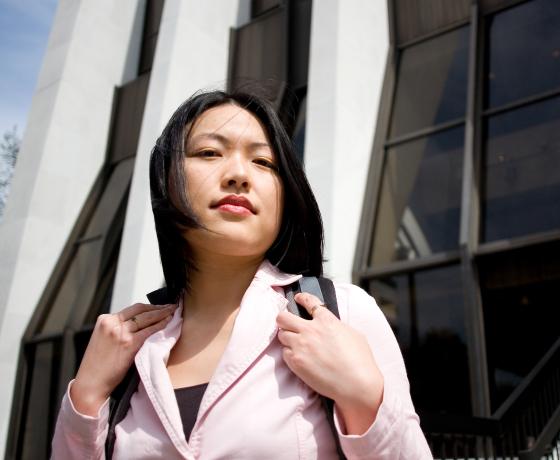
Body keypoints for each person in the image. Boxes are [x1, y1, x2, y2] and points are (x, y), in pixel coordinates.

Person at [51, 90, 433, 459]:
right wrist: (85, 398)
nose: (238, 174)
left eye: (263, 163)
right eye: (209, 153)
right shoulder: (130, 349)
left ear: (285, 197)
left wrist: (364, 395)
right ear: (167, 183)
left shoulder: (342, 313)